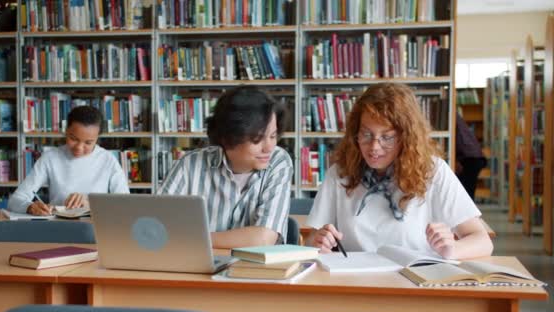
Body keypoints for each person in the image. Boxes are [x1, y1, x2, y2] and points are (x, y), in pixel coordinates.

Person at [305, 83, 493, 260]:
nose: (374, 147)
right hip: (356, 285)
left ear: (406, 138)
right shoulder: (339, 173)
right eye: (366, 134)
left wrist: (452, 249)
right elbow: (311, 241)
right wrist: (318, 244)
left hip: (416, 284)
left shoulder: (433, 171)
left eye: (387, 137)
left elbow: (482, 241)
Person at [158, 85, 293, 249]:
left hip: (254, 271)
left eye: (273, 136)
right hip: (196, 269)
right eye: (257, 139)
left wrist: (192, 239)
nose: (269, 147)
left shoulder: (278, 162)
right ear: (229, 138)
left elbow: (263, 239)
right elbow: (156, 226)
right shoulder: (189, 165)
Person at [8, 106, 130, 215]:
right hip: (59, 227)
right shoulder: (50, 158)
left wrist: (90, 205)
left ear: (97, 138)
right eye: (73, 138)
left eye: (88, 142)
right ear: (66, 130)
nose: (79, 147)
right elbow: (15, 200)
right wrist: (30, 207)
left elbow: (126, 205)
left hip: (97, 228)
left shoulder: (108, 160)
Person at [455, 112, 487, 200]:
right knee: (467, 194)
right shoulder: (455, 115)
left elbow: (458, 141)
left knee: (465, 195)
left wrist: (456, 160)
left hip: (469, 157)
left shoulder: (450, 115)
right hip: (474, 156)